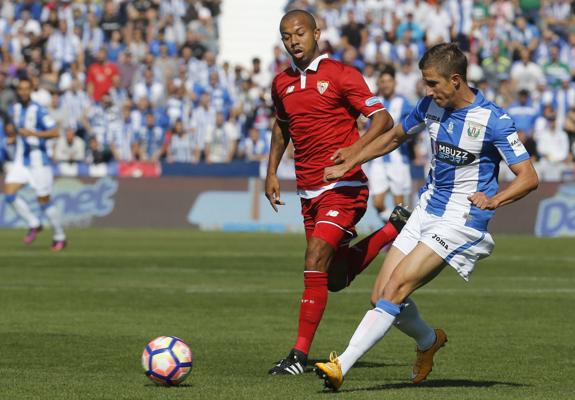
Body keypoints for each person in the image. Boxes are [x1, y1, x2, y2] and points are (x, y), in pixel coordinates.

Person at [315, 43, 539, 390]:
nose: (427, 90)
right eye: (425, 83)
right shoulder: (429, 106)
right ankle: (428, 341)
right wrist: (353, 159)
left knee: (396, 288)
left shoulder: (494, 120)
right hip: (426, 209)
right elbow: (394, 138)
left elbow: (528, 177)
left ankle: (341, 365)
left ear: (455, 80)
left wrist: (495, 199)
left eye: (432, 83)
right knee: (381, 297)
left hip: (460, 221)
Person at [266, 10, 410, 376]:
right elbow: (282, 128)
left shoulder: (342, 74)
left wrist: (355, 153)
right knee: (331, 278)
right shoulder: (281, 82)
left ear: (317, 32)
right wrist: (271, 172)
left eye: (299, 33)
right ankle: (391, 231)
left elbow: (383, 120)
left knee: (314, 258)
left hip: (344, 187)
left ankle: (298, 355)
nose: (293, 41)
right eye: (286, 36)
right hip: (308, 190)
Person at [3, 78, 67, 251]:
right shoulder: (14, 109)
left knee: (44, 201)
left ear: (31, 90)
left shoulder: (39, 110)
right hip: (21, 161)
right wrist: (11, 137)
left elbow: (55, 132)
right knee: (9, 193)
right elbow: (14, 130)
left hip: (39, 162)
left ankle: (59, 236)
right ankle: (34, 223)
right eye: (21, 89)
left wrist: (34, 134)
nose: (23, 92)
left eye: (26, 89)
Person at [364, 65, 413, 222]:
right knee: (377, 203)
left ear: (394, 83)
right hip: (378, 160)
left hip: (398, 159)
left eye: (388, 81)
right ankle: (396, 229)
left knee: (398, 204)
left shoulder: (403, 102)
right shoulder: (375, 103)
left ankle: (397, 236)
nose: (385, 84)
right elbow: (369, 129)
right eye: (382, 81)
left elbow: (412, 128)